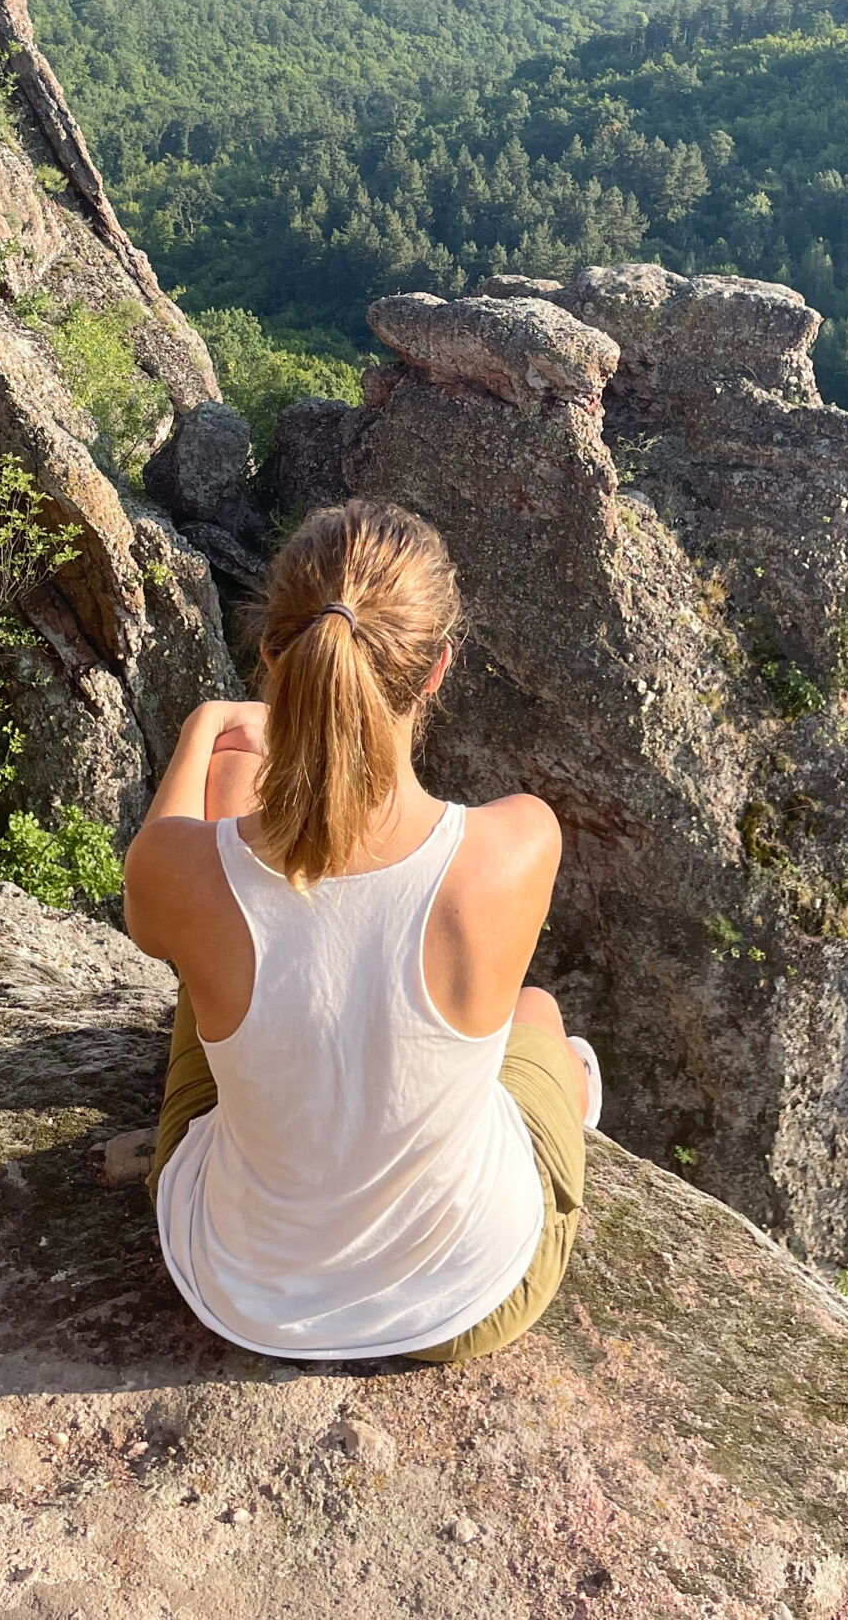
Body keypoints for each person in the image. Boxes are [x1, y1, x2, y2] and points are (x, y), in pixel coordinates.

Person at [122, 496, 600, 1365]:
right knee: (535, 1015)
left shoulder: (173, 876)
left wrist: (208, 730)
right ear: (437, 669)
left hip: (239, 1281)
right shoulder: (520, 840)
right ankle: (570, 1098)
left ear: (272, 653)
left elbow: (160, 859)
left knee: (213, 959)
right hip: (466, 1296)